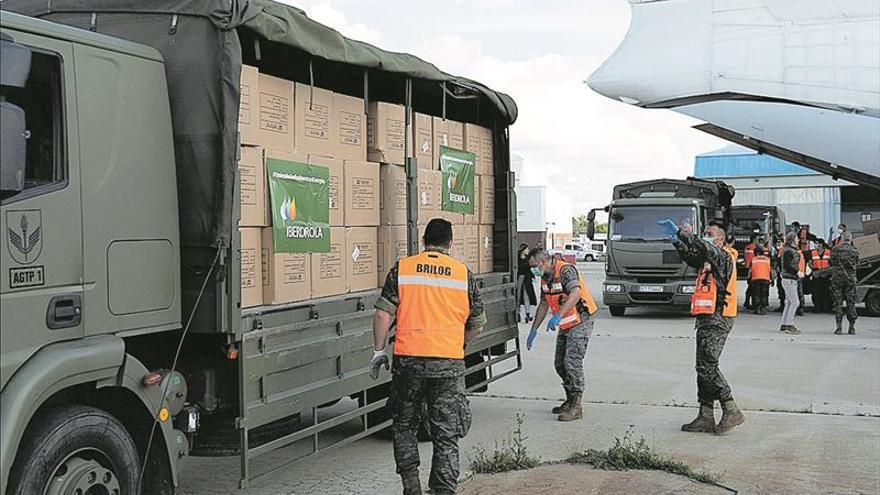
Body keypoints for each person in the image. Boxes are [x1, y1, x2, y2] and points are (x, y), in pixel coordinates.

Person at [369, 218, 485, 495]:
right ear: (451, 243)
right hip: (448, 364)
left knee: (405, 425)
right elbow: (478, 322)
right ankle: (443, 490)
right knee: (446, 433)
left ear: (423, 241)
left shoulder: (404, 268)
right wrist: (458, 345)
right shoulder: (462, 273)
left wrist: (378, 350)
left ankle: (412, 487)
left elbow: (383, 313)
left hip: (409, 363)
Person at [658, 218, 744, 435]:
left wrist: (682, 233)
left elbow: (703, 247)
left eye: (710, 232)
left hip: (718, 317)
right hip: (707, 317)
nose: (706, 235)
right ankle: (705, 415)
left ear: (720, 238)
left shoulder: (724, 256)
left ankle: (731, 408)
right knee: (702, 368)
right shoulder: (709, 259)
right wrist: (678, 242)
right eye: (704, 232)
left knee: (708, 367)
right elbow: (692, 256)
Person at [525, 247, 598, 422]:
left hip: (581, 318)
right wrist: (533, 329)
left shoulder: (565, 270)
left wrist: (558, 315)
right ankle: (569, 399)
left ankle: (577, 406)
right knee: (559, 363)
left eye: (535, 265)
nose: (533, 269)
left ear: (544, 262)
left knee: (572, 362)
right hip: (566, 322)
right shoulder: (544, 277)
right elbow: (544, 303)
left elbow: (576, 292)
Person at [829, 232, 860, 335]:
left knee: (838, 302)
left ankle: (839, 327)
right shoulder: (855, 251)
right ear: (850, 239)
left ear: (842, 239)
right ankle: (852, 327)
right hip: (850, 280)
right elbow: (856, 263)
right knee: (851, 302)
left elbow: (831, 262)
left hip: (837, 279)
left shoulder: (836, 249)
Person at [779, 232, 803, 335]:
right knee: (795, 302)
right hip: (790, 279)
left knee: (789, 302)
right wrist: (798, 272)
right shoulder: (789, 251)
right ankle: (789, 324)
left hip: (787, 279)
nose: (798, 240)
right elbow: (787, 266)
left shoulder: (787, 250)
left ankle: (784, 324)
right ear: (792, 240)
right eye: (797, 238)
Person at [516, 243, 538, 323]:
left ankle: (527, 314)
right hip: (520, 278)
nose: (528, 251)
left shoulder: (528, 259)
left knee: (526, 296)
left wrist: (533, 277)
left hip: (527, 279)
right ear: (523, 250)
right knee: (518, 296)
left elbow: (532, 268)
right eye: (527, 249)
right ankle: (517, 313)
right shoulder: (517, 259)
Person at [809, 239, 832, 312]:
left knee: (826, 292)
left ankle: (826, 307)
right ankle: (817, 307)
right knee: (816, 292)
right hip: (816, 274)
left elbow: (831, 262)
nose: (816, 245)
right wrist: (812, 267)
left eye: (817, 243)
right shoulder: (813, 253)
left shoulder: (828, 252)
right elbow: (810, 262)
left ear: (821, 244)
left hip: (826, 274)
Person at [750, 246, 773, 315]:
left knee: (756, 294)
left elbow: (750, 271)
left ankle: (757, 309)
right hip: (766, 279)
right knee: (764, 294)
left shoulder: (753, 259)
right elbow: (770, 270)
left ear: (756, 252)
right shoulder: (768, 259)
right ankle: (763, 309)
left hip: (755, 279)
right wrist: (772, 279)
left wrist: (749, 279)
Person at [743, 236, 757, 310]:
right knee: (753, 287)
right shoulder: (754, 247)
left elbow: (745, 257)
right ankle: (752, 303)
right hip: (753, 268)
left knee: (750, 286)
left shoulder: (747, 247)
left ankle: (747, 301)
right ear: (754, 240)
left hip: (747, 267)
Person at [773, 239, 787, 313]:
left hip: (784, 274)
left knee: (785, 291)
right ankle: (782, 305)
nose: (778, 244)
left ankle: (786, 306)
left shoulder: (785, 252)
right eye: (777, 243)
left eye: (780, 243)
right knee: (780, 290)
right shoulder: (777, 253)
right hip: (780, 275)